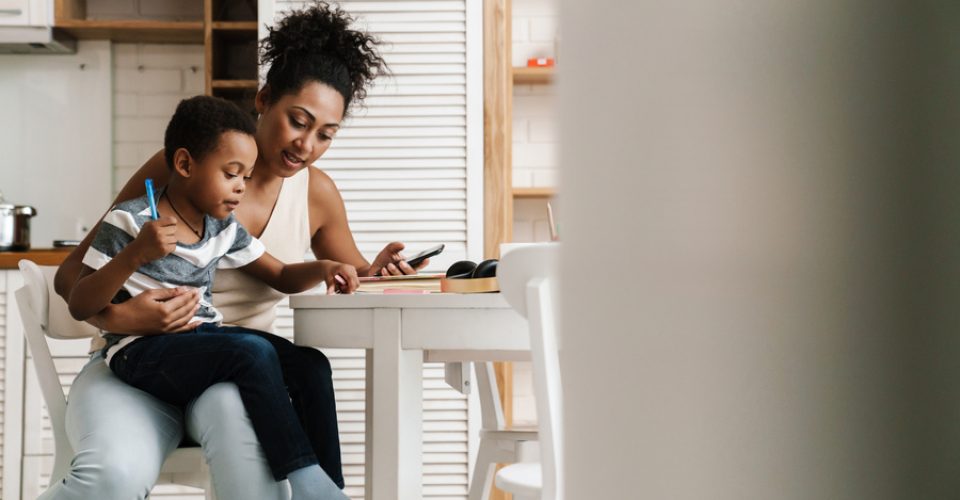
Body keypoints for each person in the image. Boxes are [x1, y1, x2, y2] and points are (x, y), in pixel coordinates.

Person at [51, 2, 424, 499]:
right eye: (298, 120)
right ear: (265, 98)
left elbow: (344, 274)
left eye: (325, 135)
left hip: (236, 381)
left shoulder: (316, 194)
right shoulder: (182, 168)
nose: (307, 144)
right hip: (134, 367)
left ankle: (325, 489)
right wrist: (126, 320)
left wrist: (375, 270)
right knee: (110, 478)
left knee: (264, 458)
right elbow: (70, 280)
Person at [68, 94, 358, 500]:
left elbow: (280, 275)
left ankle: (328, 486)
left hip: (199, 347)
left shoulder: (222, 227)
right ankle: (305, 479)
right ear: (186, 165)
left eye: (246, 176)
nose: (241, 187)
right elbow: (80, 303)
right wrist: (135, 254)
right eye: (231, 173)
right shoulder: (130, 221)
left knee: (311, 365)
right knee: (252, 352)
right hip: (140, 354)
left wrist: (323, 267)